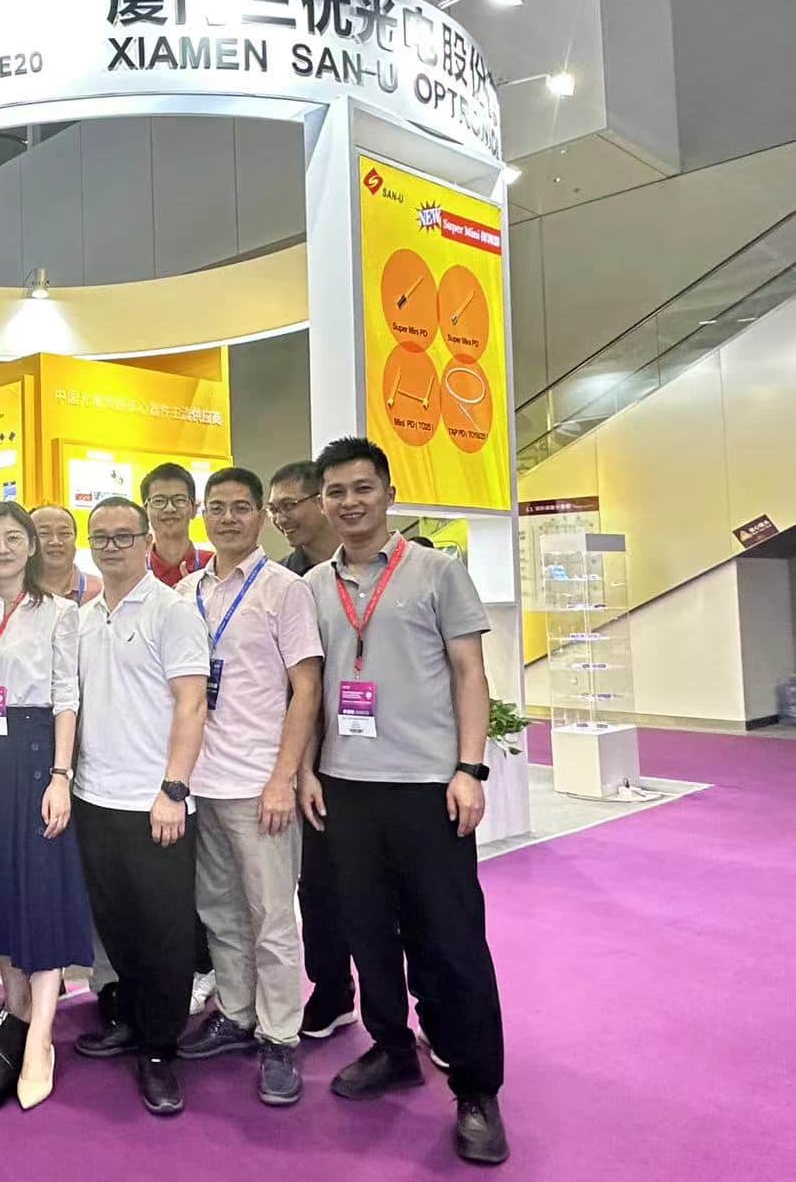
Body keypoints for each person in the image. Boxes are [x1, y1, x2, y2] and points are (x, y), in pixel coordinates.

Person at [300, 436, 508, 1166]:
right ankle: (391, 1047)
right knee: (366, 933)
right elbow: (311, 687)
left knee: (450, 939)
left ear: (388, 493)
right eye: (335, 492)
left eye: (362, 488)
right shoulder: (312, 586)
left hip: (427, 787)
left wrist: (470, 768)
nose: (349, 502)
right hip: (345, 787)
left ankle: (476, 1088)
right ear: (322, 502)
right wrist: (307, 770)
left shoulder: (437, 571)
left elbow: (469, 672)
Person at [173, 468, 323, 1107]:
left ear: (261, 515)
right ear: (203, 515)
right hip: (199, 784)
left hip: (260, 784)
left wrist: (283, 778)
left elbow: (306, 689)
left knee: (271, 917)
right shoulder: (185, 592)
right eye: (218, 507)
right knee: (219, 910)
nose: (228, 518)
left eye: (241, 507)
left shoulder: (285, 590)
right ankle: (235, 1014)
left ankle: (280, 1035)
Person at [0, 503, 92, 1110]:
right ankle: (15, 1003)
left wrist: (60, 775)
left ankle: (39, 1039)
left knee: (41, 888)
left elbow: (66, 696)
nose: (2, 548)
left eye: (14, 537)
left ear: (31, 546)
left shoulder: (59, 611)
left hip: (35, 757)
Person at [70, 497, 209, 1117]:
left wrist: (174, 788)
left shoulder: (172, 611)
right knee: (117, 924)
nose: (111, 546)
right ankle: (130, 1018)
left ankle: (159, 1050)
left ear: (145, 539)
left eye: (123, 536)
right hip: (94, 797)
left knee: (165, 933)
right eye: (100, 537)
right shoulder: (84, 617)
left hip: (155, 802)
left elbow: (191, 703)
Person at [269, 459, 357, 1042]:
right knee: (319, 884)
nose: (282, 518)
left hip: (383, 755)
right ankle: (332, 992)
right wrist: (297, 766)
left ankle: (427, 1012)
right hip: (312, 757)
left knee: (395, 892)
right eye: (274, 509)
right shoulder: (285, 578)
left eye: (290, 505)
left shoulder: (375, 565)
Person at [139, 463, 216, 1012]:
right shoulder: (128, 570)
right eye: (158, 501)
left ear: (193, 507)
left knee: (205, 870)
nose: (168, 509)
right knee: (156, 868)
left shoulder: (215, 570)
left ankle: (205, 966)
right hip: (142, 745)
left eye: (177, 500)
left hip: (209, 738)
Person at [32, 504, 102, 605]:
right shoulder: (14, 591)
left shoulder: (100, 591)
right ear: (29, 542)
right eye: (44, 533)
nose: (55, 542)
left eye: (64, 533)